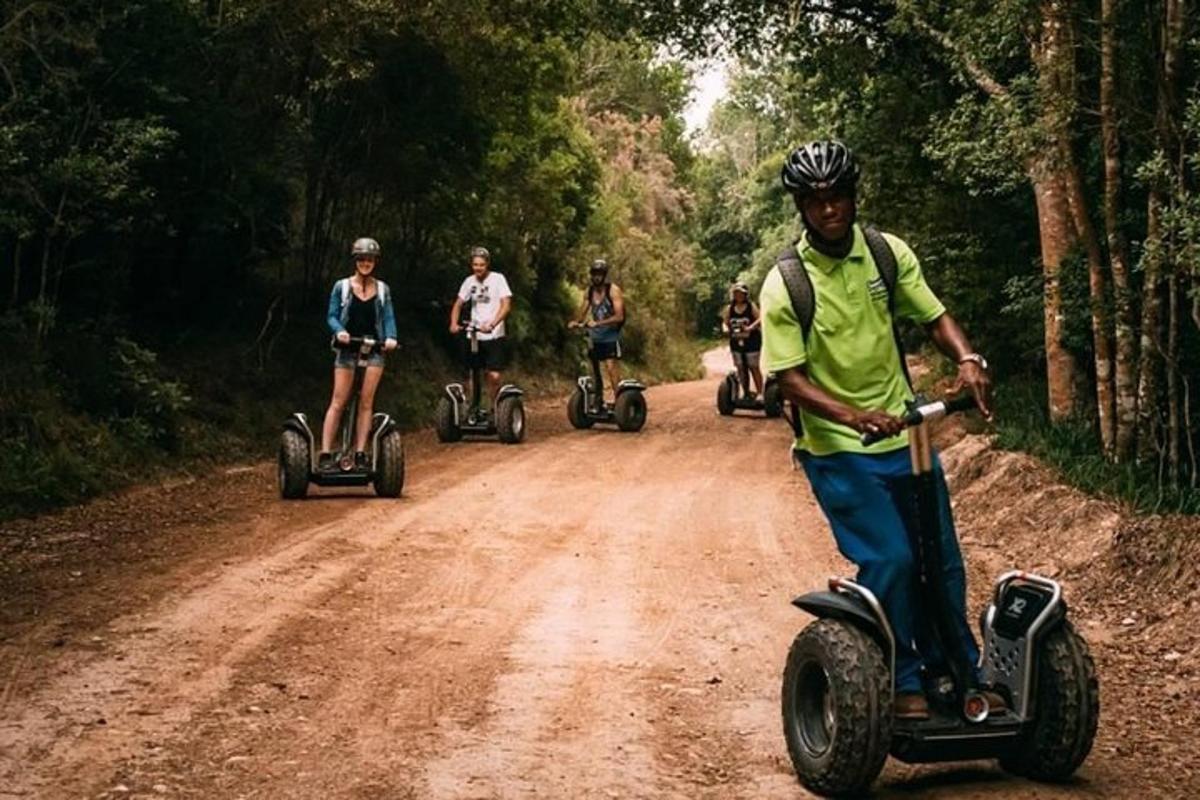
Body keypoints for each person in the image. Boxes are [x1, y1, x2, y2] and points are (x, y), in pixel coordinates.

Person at [760, 140, 1001, 721]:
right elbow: (788, 381)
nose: (828, 209)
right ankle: (900, 679)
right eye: (814, 200)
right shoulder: (786, 283)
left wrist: (968, 358)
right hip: (838, 448)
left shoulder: (885, 254)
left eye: (837, 195)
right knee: (892, 558)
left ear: (853, 194)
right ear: (800, 206)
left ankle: (961, 670)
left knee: (941, 560)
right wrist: (852, 416)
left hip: (908, 438)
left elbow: (935, 315)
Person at [321, 237, 398, 471]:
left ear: (375, 262)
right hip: (347, 348)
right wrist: (340, 331)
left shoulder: (382, 289)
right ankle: (325, 452)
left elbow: (388, 317)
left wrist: (392, 337)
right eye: (362, 259)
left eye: (370, 259)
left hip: (374, 349)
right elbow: (332, 315)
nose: (366, 263)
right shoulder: (341, 287)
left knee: (366, 402)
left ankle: (361, 452)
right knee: (338, 400)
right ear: (355, 260)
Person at [449, 246, 513, 420]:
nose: (478, 268)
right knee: (473, 372)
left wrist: (493, 323)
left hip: (494, 335)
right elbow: (458, 304)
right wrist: (454, 323)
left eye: (481, 265)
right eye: (475, 264)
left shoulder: (498, 279)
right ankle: (473, 407)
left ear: (487, 265)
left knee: (493, 375)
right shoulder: (469, 281)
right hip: (474, 335)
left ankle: (495, 409)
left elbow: (506, 305)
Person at [569, 259, 625, 409]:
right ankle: (598, 398)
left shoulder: (613, 290)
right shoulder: (589, 291)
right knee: (593, 368)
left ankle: (620, 401)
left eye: (599, 274)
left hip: (611, 336)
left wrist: (598, 323)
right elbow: (584, 309)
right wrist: (576, 321)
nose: (596, 277)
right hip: (595, 337)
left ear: (604, 275)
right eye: (594, 274)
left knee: (610, 367)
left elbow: (619, 316)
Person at [721, 281, 763, 398]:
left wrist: (751, 327)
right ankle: (745, 392)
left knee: (753, 366)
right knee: (740, 367)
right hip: (736, 341)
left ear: (745, 294)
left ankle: (760, 393)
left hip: (752, 341)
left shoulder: (751, 306)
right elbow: (725, 322)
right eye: (736, 293)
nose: (738, 295)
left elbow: (760, 318)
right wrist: (725, 329)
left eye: (741, 293)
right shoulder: (730, 308)